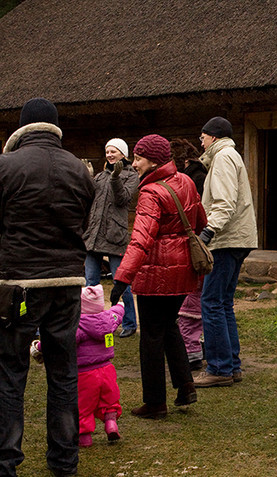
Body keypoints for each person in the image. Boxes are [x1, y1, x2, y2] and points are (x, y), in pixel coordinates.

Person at [0, 98, 95, 477]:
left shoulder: (6, 167)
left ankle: (6, 462)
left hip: (17, 285)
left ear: (22, 129)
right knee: (63, 372)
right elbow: (83, 222)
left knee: (9, 372)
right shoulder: (80, 170)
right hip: (67, 284)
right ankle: (64, 462)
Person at [111, 134, 206, 419]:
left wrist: (121, 278)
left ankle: (154, 402)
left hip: (157, 272)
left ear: (152, 160)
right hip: (184, 269)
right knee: (169, 325)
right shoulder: (186, 181)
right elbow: (200, 221)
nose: (134, 163)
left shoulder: (152, 192)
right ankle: (186, 385)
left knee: (151, 334)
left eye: (138, 158)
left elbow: (140, 240)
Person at [193, 117, 257, 388]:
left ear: (214, 137)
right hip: (237, 239)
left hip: (226, 240)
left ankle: (219, 368)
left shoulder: (222, 157)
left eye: (203, 137)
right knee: (223, 303)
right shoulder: (231, 155)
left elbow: (224, 202)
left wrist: (208, 233)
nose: (201, 141)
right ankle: (231, 364)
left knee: (211, 302)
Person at [32, 285, 125, 448]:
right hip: (107, 370)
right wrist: (120, 306)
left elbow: (61, 340)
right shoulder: (108, 318)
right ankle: (111, 424)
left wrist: (39, 347)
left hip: (85, 373)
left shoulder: (78, 325)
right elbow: (118, 313)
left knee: (83, 406)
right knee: (109, 399)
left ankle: (85, 437)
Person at [84, 138, 139, 338]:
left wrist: (116, 178)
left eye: (113, 151)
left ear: (123, 154)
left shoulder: (131, 175)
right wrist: (87, 177)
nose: (109, 155)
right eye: (107, 151)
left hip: (115, 235)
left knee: (121, 282)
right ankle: (91, 322)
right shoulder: (100, 176)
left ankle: (129, 322)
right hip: (95, 234)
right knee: (90, 282)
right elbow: (91, 199)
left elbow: (123, 199)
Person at [170, 138, 208, 371]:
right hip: (196, 246)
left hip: (192, 246)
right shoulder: (198, 176)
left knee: (190, 304)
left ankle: (192, 351)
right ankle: (196, 346)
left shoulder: (193, 181)